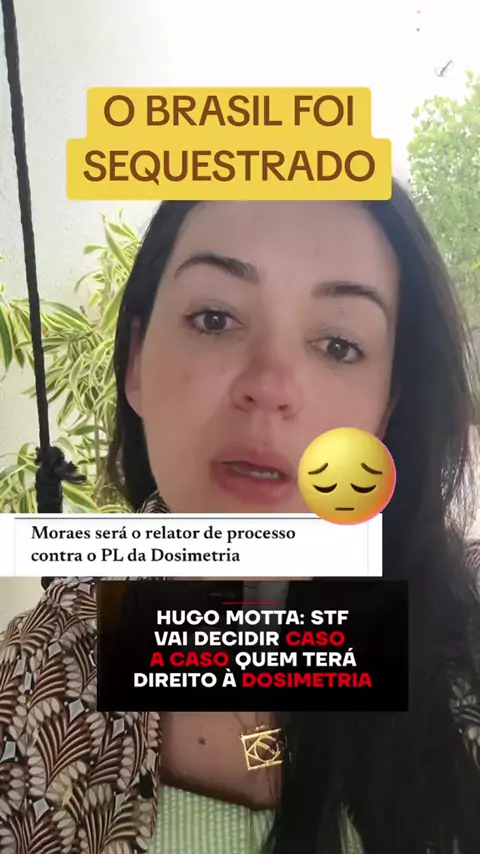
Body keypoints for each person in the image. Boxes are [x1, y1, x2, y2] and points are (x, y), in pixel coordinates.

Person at [1, 183, 480, 854]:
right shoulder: (32, 685)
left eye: (339, 344)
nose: (271, 386)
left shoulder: (464, 632)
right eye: (215, 319)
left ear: (387, 404)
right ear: (136, 362)